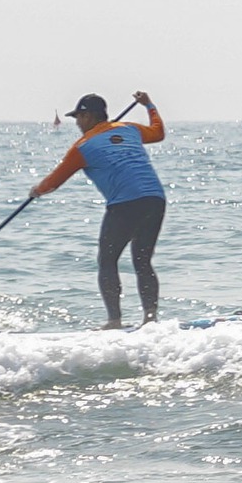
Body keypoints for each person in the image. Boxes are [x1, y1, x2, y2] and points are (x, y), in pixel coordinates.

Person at [37, 91, 167, 328]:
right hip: (155, 199)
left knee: (107, 261)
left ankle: (114, 321)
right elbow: (158, 132)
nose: (76, 122)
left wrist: (36, 190)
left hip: (125, 204)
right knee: (142, 260)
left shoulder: (83, 147)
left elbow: (52, 184)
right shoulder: (130, 129)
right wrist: (149, 105)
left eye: (78, 117)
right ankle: (150, 319)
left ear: (89, 116)